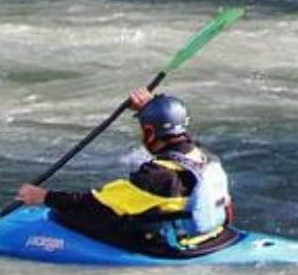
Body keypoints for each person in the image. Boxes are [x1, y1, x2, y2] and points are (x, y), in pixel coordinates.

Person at [15, 88, 238, 258]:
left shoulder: (157, 178)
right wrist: (151, 108)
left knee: (70, 213)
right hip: (216, 237)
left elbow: (93, 203)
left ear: (149, 132)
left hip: (176, 248)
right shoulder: (208, 159)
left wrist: (44, 197)